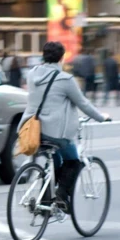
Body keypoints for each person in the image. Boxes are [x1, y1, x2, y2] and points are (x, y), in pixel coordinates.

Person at [20, 42, 109, 206]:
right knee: (74, 161)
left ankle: (45, 200)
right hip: (54, 132)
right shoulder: (65, 79)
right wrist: (101, 117)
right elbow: (83, 103)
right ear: (61, 58)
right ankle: (61, 198)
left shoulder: (32, 74)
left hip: (32, 128)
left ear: (44, 55)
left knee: (55, 161)